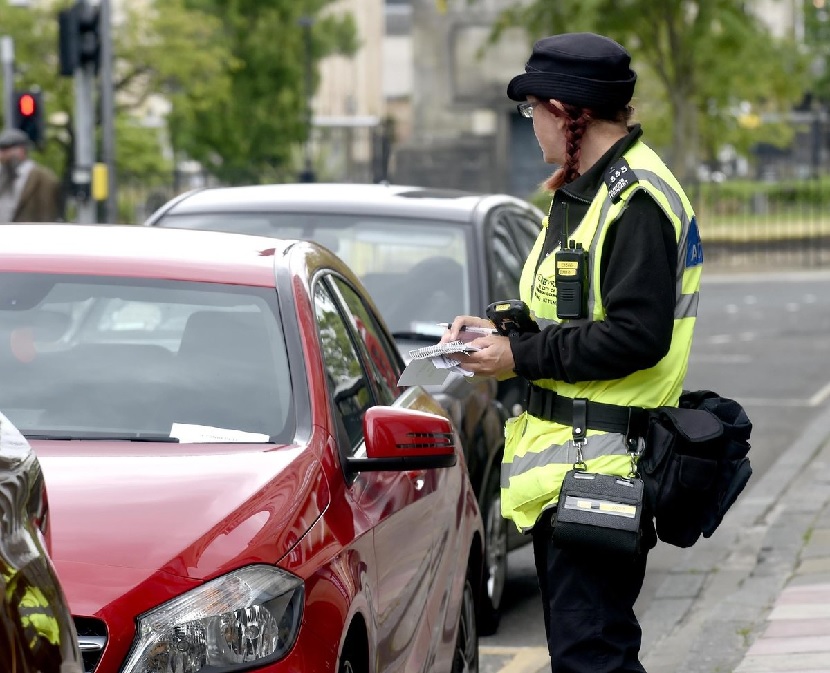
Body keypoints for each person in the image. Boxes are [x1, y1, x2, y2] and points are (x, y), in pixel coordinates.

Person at [443, 32, 703, 673]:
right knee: (589, 654)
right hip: (575, 473)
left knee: (593, 658)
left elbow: (637, 338)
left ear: (565, 111)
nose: (530, 125)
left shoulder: (636, 201)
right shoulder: (586, 193)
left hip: (602, 470)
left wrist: (519, 357)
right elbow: (574, 315)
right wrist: (503, 332)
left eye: (532, 110)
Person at [0, 128, 61, 223]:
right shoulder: (3, 176)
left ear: (21, 150)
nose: (2, 155)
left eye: (5, 149)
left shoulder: (44, 179)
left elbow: (49, 215)